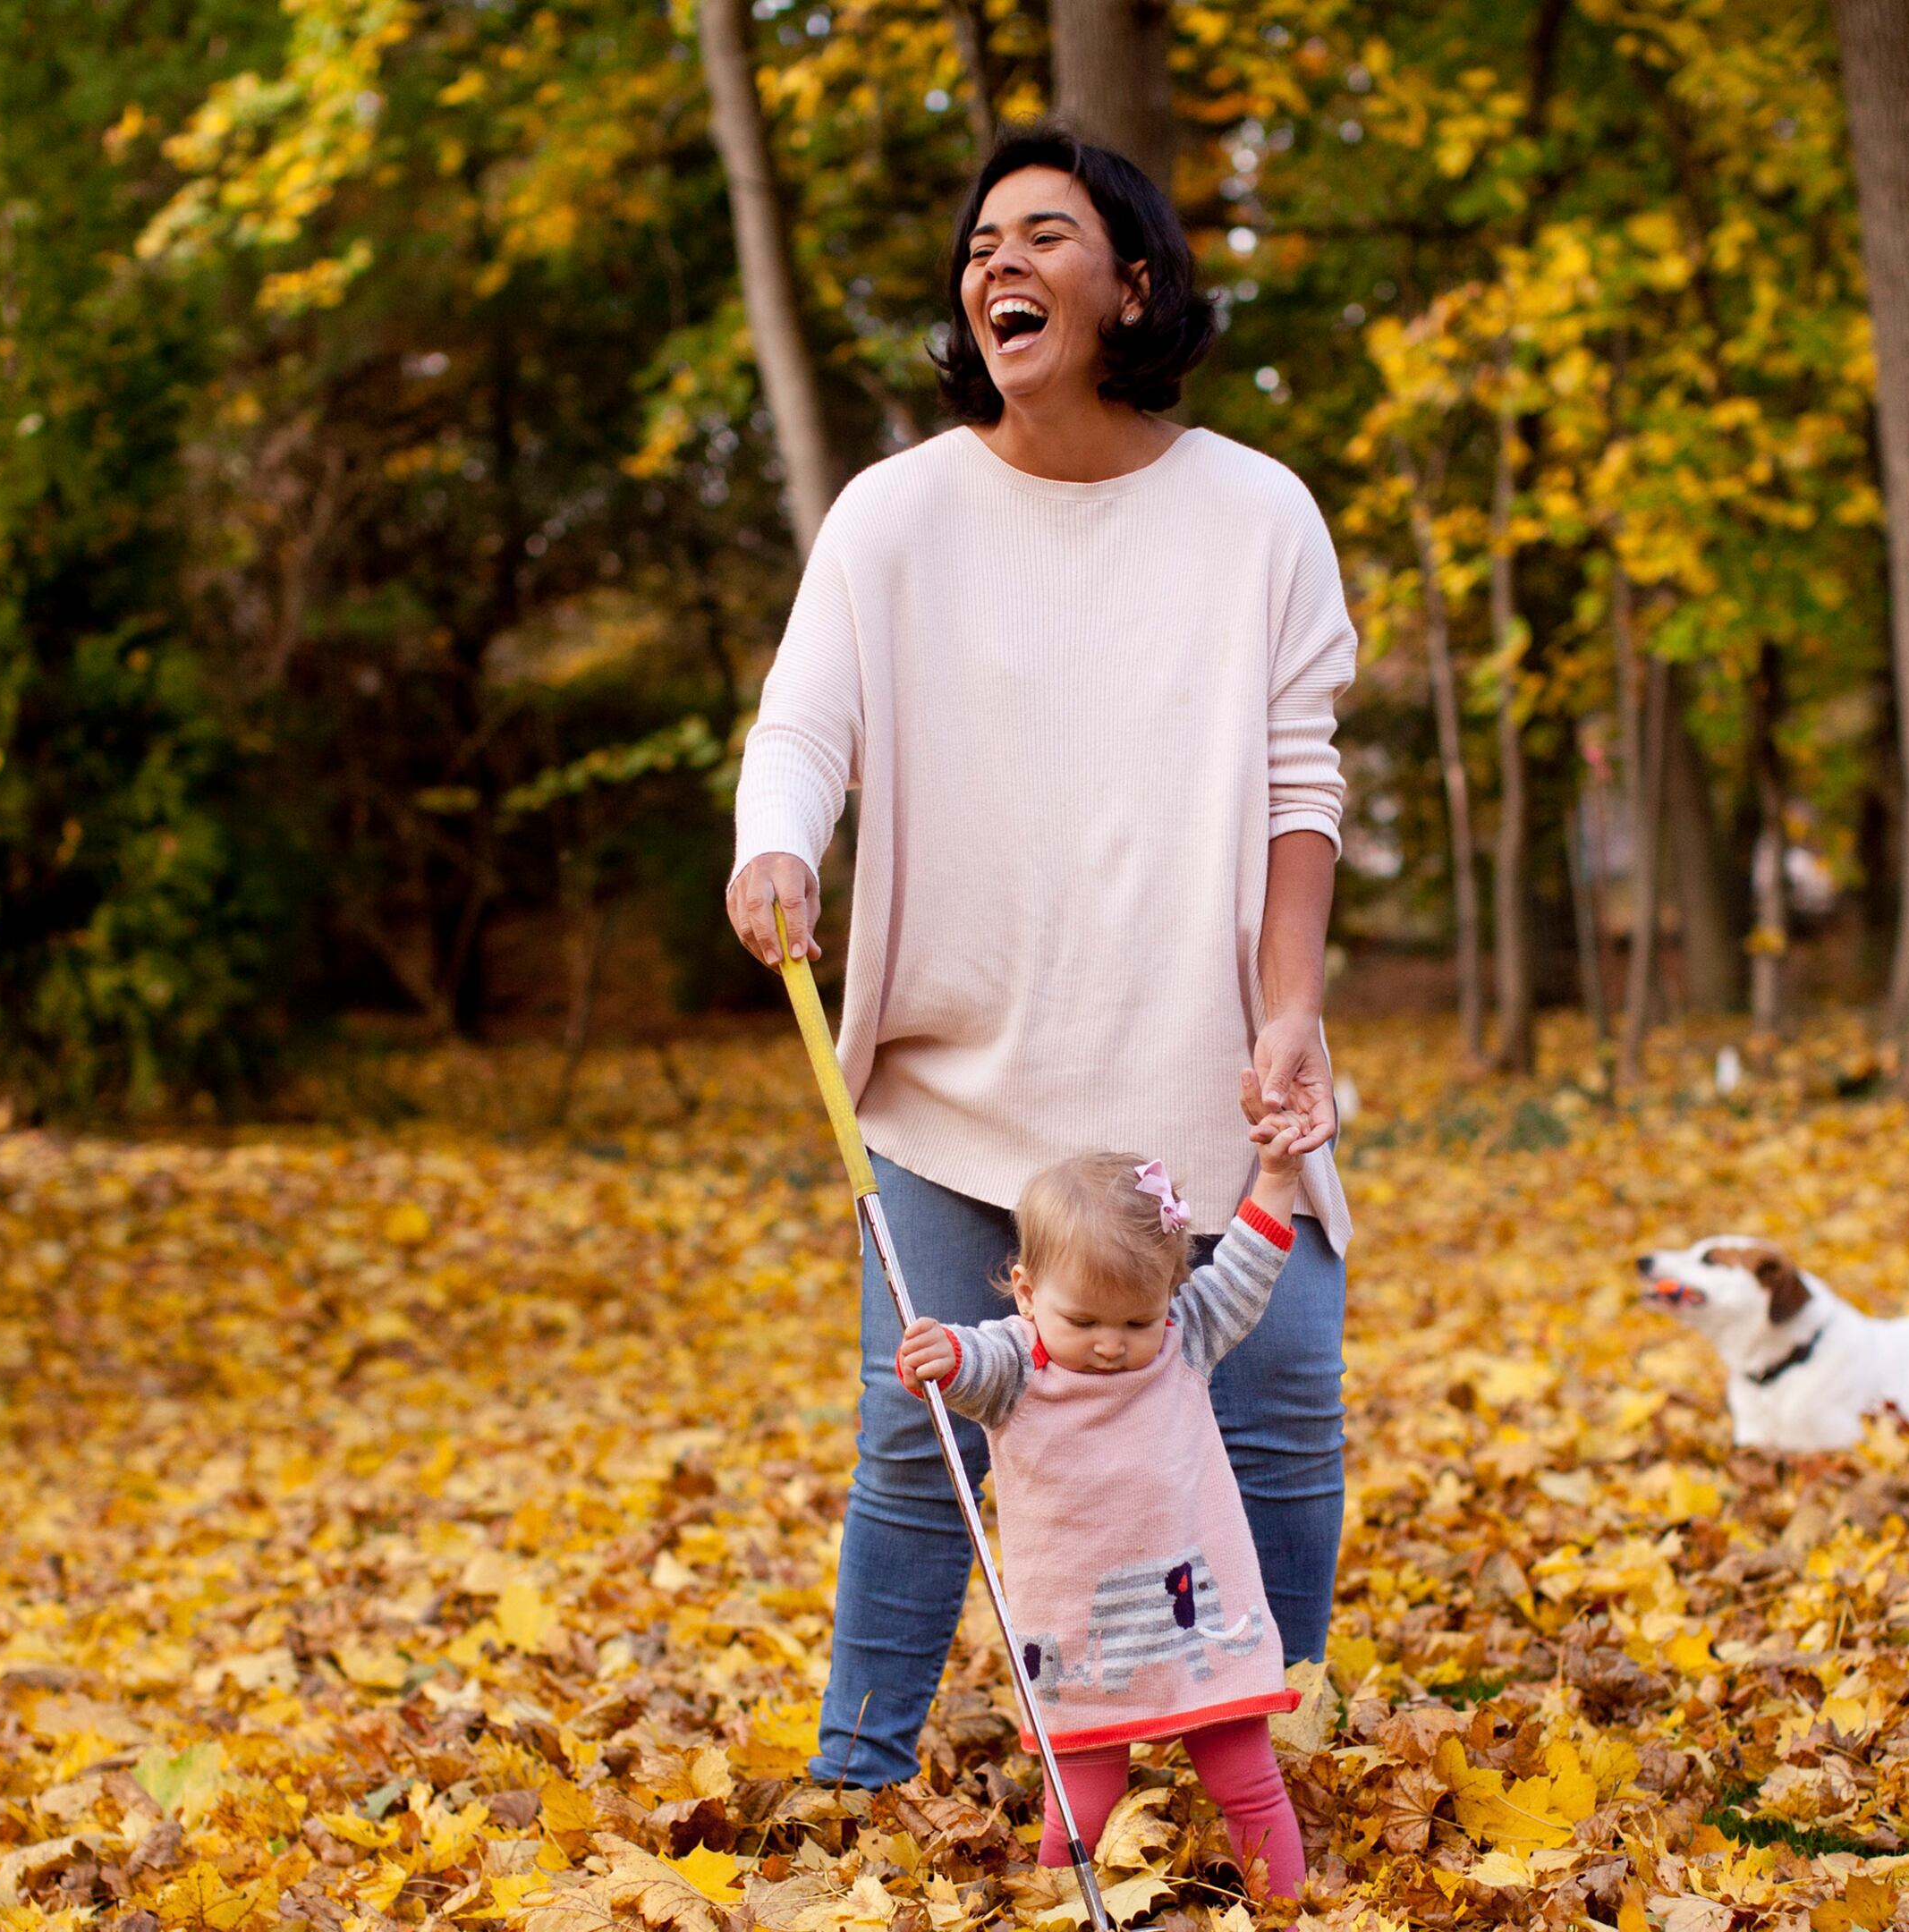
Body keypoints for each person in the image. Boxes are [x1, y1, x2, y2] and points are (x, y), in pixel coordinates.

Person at [725, 123, 1358, 1789]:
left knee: (1280, 1409)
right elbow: (804, 726)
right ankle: (857, 1773)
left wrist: (1291, 1006)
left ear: (1131, 284)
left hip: (1197, 1072)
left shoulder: (1255, 513)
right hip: (960, 1079)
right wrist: (773, 839)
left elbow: (1304, 779)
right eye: (981, 241)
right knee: (920, 1435)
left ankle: (1253, 1730)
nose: (998, 261)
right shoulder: (895, 515)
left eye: (1048, 235)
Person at [892, 1120, 1326, 1897]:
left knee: (1249, 1785)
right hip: (1081, 1644)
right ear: (1026, 1292)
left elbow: (1250, 1267)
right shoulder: (1017, 1367)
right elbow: (971, 1360)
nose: (1110, 1344)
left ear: (1169, 1297)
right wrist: (944, 1355)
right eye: (1083, 1321)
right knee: (1079, 1809)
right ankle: (1067, 1910)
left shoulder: (1183, 1340)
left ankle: (1285, 1911)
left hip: (1201, 1630)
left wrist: (1277, 1176)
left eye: (1134, 1320)